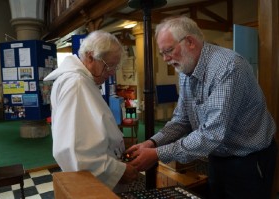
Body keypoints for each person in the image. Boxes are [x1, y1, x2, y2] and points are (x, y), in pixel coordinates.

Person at [126, 16, 277, 199]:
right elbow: (181, 119)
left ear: (190, 41)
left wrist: (157, 153)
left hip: (248, 159)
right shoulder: (186, 69)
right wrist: (152, 142)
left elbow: (211, 133)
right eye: (162, 53)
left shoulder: (228, 67)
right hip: (217, 156)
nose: (166, 59)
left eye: (169, 50)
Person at [43, 30, 138, 192]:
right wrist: (119, 171)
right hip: (94, 184)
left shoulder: (82, 80)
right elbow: (78, 153)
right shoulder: (76, 84)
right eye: (109, 66)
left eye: (116, 66)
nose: (112, 72)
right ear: (90, 56)